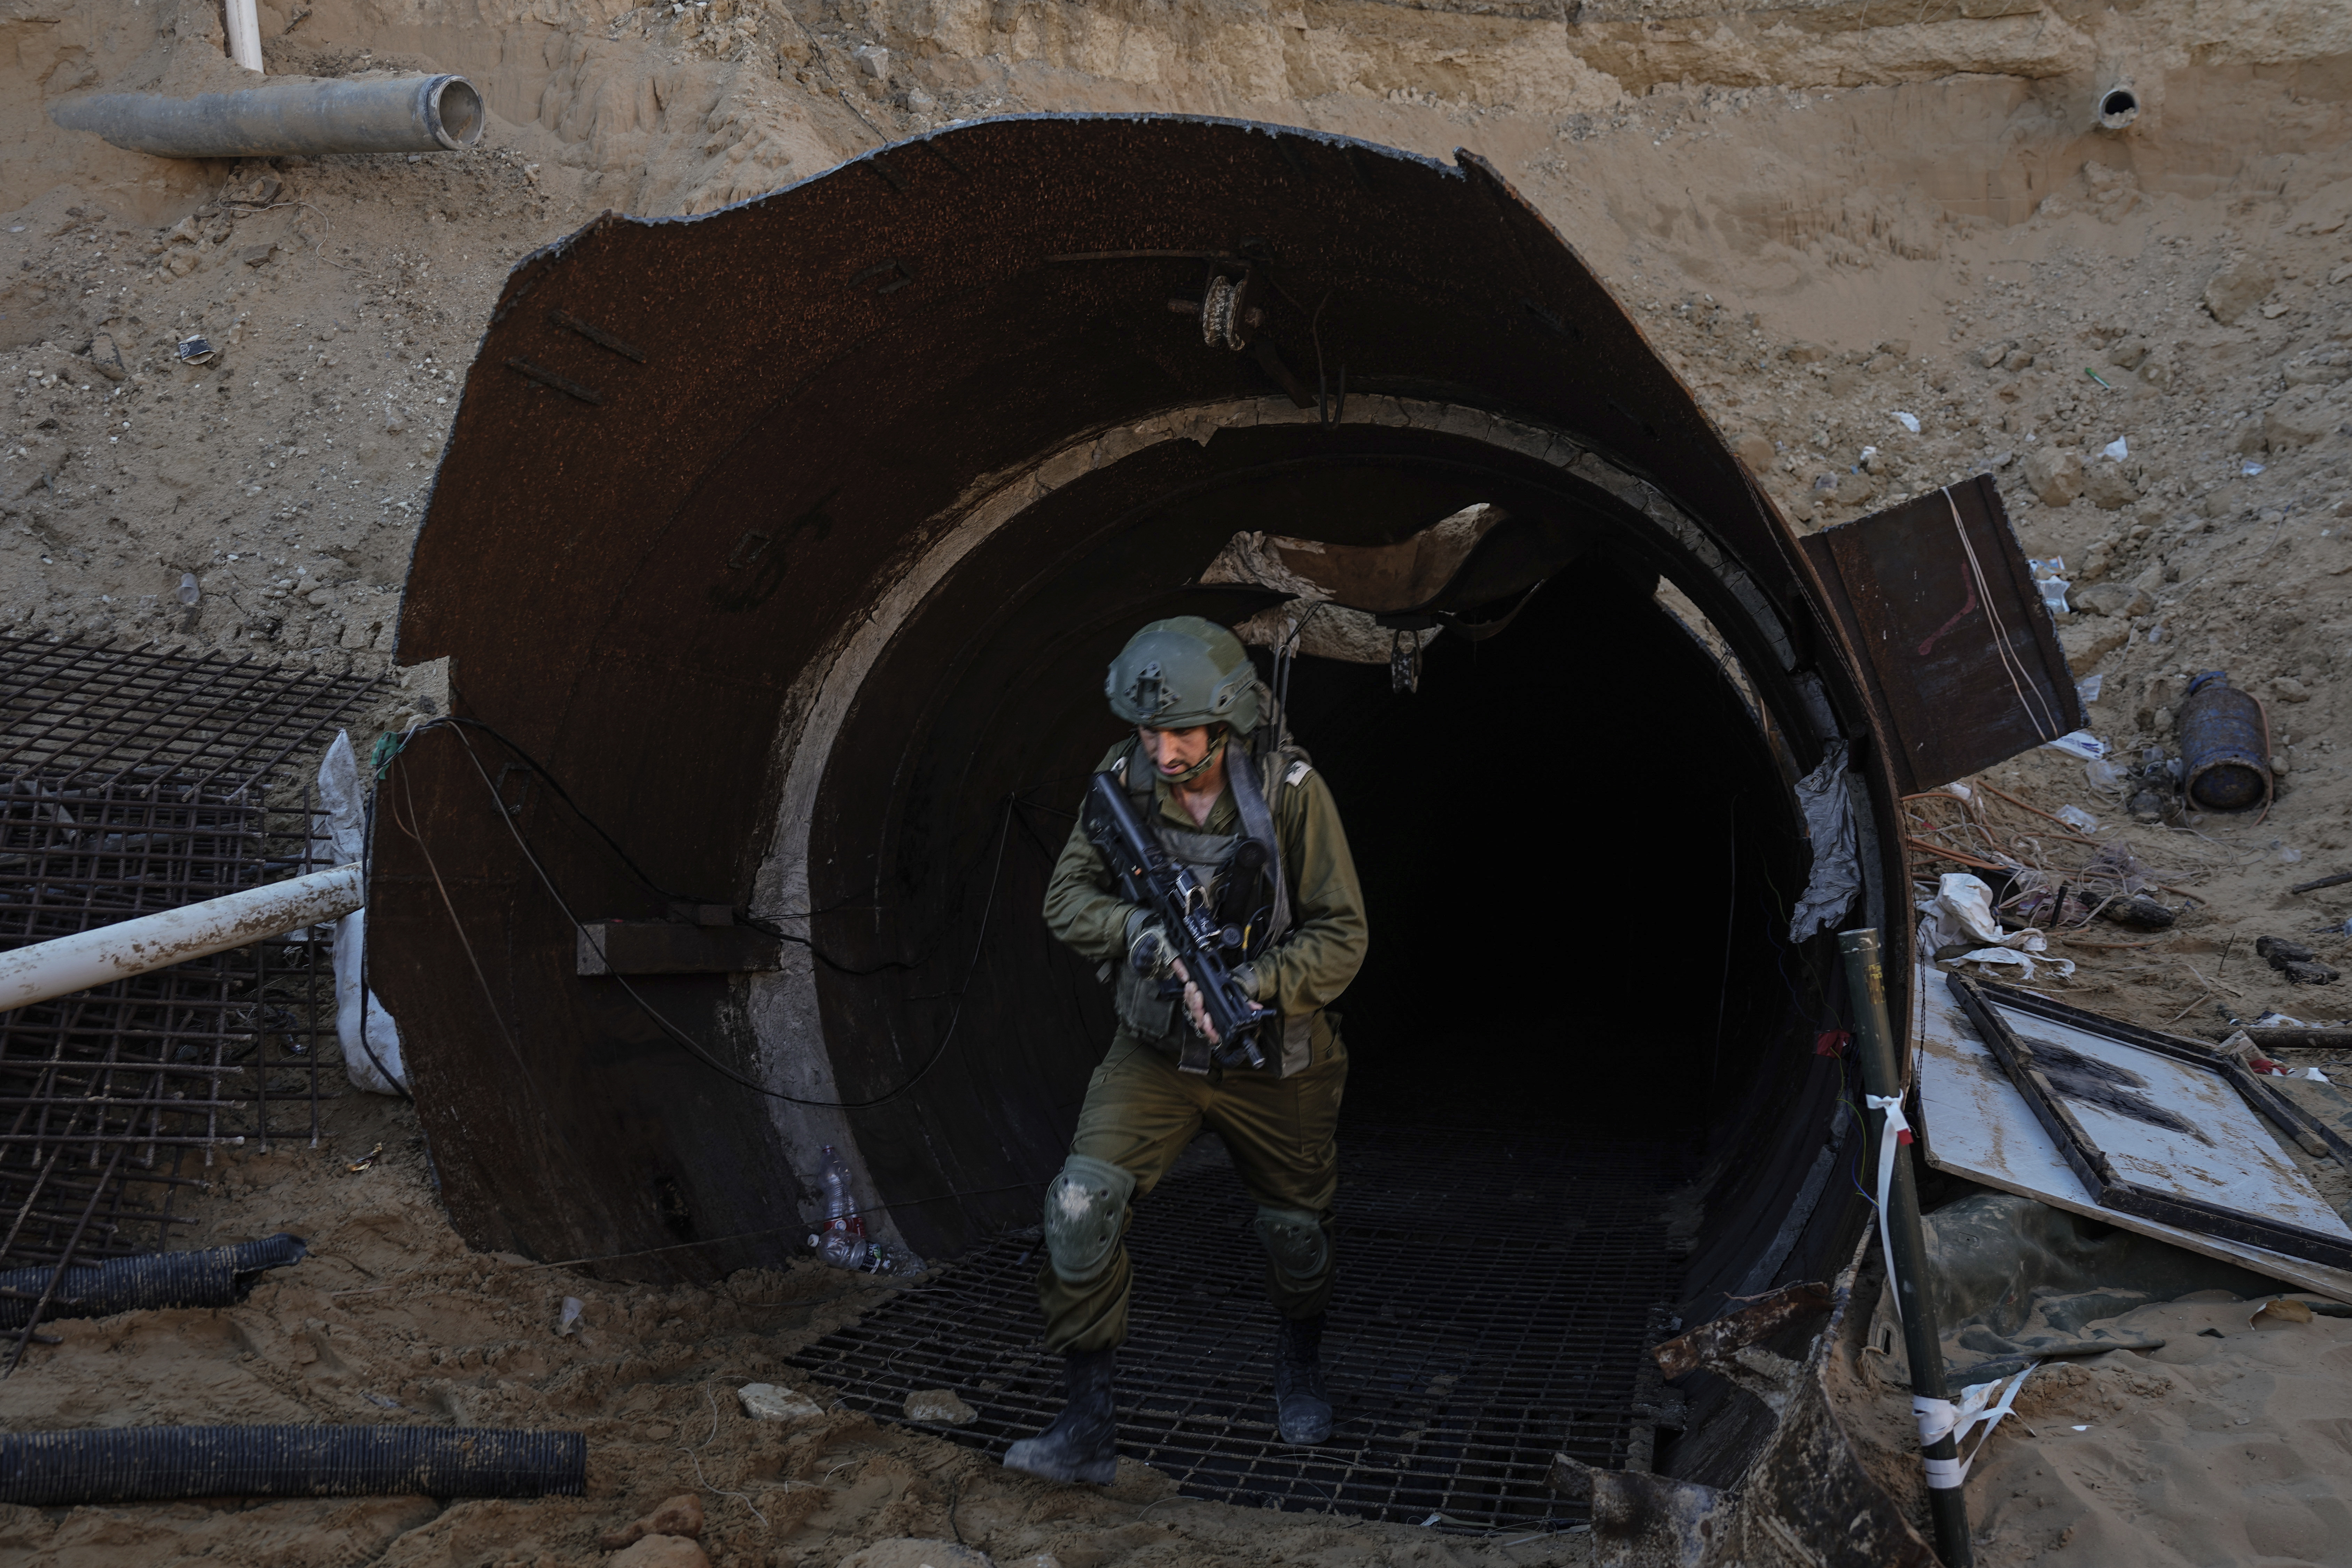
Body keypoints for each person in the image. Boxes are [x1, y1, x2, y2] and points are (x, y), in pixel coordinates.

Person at [1004, 615, 1368, 1485]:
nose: (1162, 751)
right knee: (1080, 1209)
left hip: (1275, 1059)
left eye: (1179, 733)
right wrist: (1144, 935)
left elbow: (1343, 936)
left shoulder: (1289, 791)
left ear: (1227, 720)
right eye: (1146, 731)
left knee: (1295, 1236)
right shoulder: (1121, 781)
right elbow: (1066, 902)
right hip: (1154, 1051)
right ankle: (1086, 1428)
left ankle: (1299, 1365)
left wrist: (1249, 986)